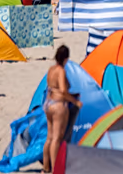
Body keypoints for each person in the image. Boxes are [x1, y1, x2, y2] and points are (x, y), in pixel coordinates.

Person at [42, 45, 82, 174]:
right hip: (58, 105)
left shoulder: (51, 69)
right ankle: (55, 169)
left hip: (48, 103)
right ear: (66, 59)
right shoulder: (61, 71)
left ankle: (45, 168)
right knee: (56, 138)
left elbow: (54, 88)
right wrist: (75, 101)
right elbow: (63, 91)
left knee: (49, 137)